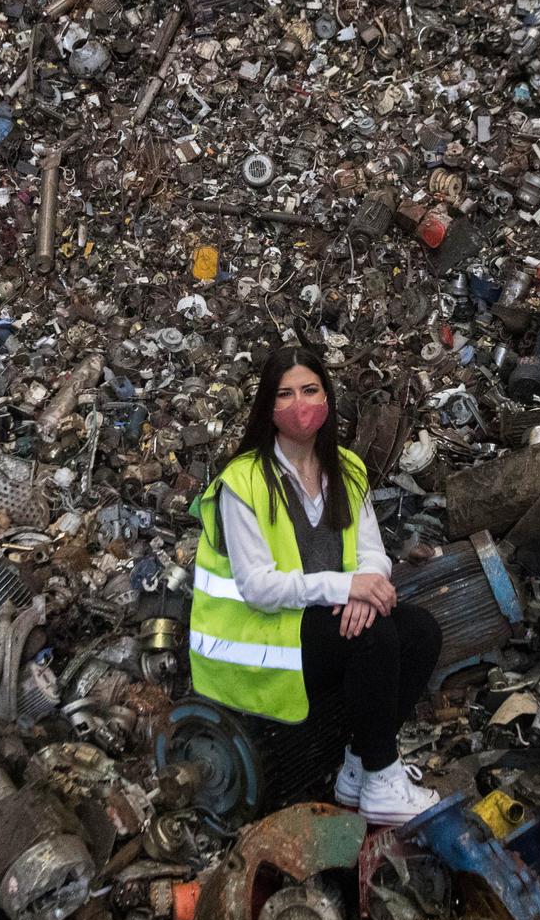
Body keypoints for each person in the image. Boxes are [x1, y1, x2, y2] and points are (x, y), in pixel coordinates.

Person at [188, 345, 445, 824]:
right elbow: (258, 587)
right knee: (372, 640)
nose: (300, 404)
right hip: (254, 637)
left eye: (309, 390)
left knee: (420, 630)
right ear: (268, 408)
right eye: (285, 394)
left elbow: (371, 551)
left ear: (327, 397)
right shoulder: (242, 482)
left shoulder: (346, 468)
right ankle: (384, 780)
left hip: (309, 618)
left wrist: (365, 592)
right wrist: (348, 588)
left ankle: (358, 768)